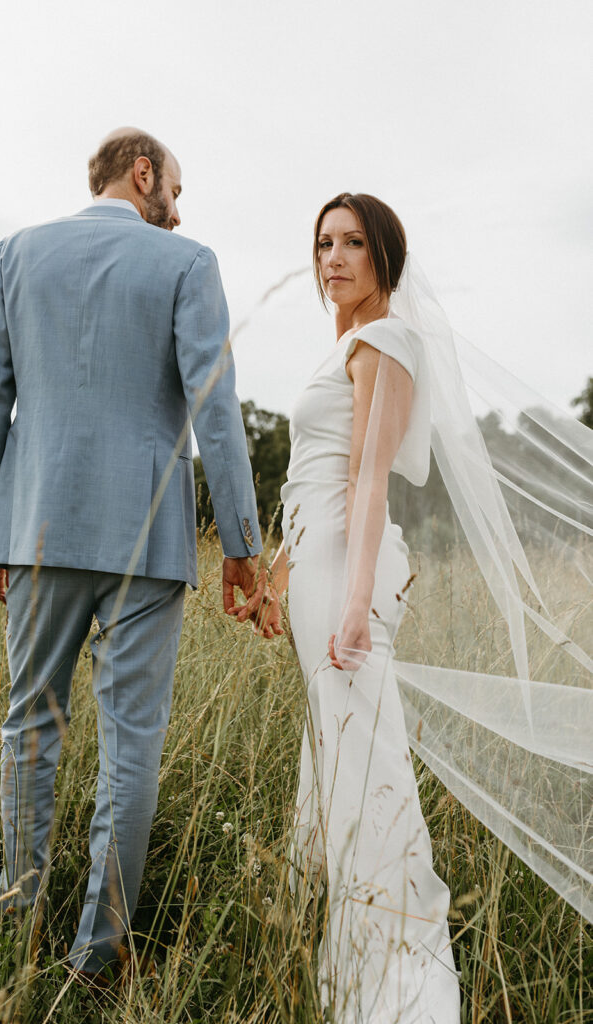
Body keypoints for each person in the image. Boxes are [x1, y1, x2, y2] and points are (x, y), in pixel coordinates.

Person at [0, 126, 281, 982]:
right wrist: (243, 547)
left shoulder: (12, 254)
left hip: (34, 526)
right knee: (129, 745)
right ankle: (97, 956)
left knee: (29, 724)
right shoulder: (187, 265)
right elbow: (216, 407)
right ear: (143, 173)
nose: (179, 205)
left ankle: (14, 924)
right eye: (174, 184)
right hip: (149, 539)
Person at [267, 194, 462, 1021]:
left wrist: (354, 608)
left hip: (350, 573)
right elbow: (309, 476)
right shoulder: (348, 342)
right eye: (322, 243)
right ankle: (346, 960)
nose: (333, 257)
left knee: (366, 762)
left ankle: (396, 986)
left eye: (352, 243)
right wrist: (278, 575)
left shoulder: (386, 340)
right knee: (340, 756)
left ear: (385, 256)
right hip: (318, 573)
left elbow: (367, 482)